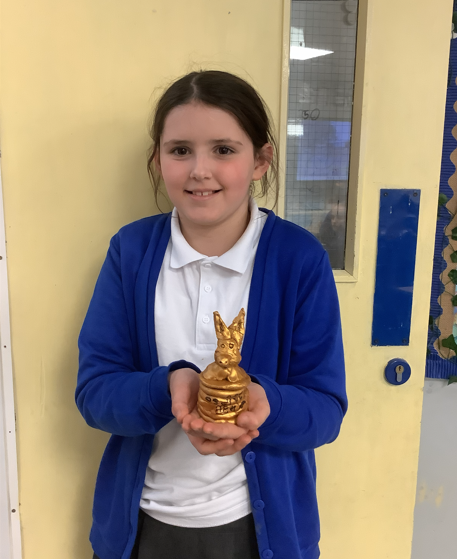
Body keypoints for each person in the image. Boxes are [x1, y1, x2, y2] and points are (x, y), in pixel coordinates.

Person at [76, 70, 347, 559]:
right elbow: (95, 392)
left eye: (223, 149)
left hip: (261, 535)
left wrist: (265, 403)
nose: (200, 170)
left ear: (260, 160)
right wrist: (166, 388)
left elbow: (325, 410)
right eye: (180, 150)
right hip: (139, 529)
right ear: (158, 159)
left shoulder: (298, 259)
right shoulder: (131, 252)